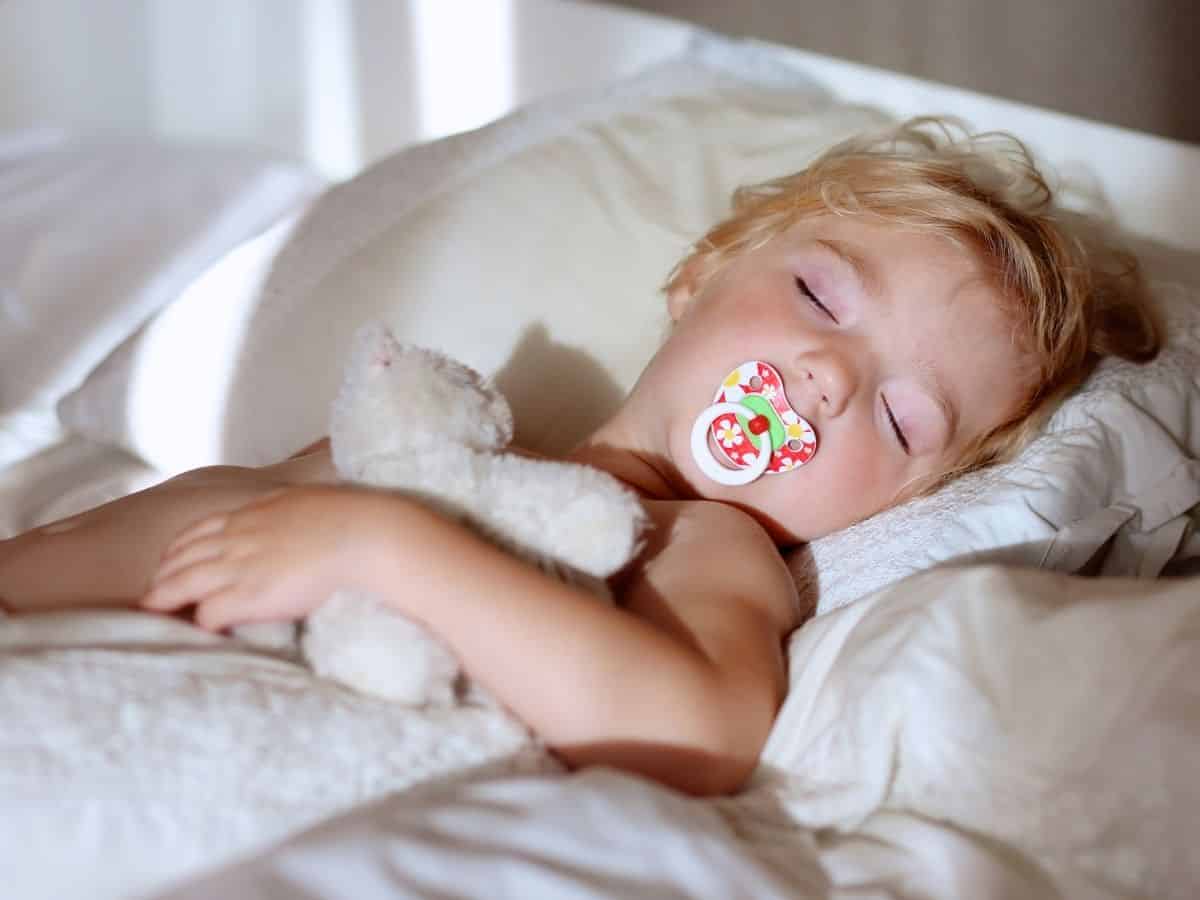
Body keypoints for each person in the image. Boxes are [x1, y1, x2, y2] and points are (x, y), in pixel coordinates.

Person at [0, 117, 1160, 796]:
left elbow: (698, 730)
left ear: (904, 502)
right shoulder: (463, 441)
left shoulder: (707, 547)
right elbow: (216, 518)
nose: (831, 378)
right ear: (700, 276)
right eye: (817, 294)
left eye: (904, 421)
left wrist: (382, 545)